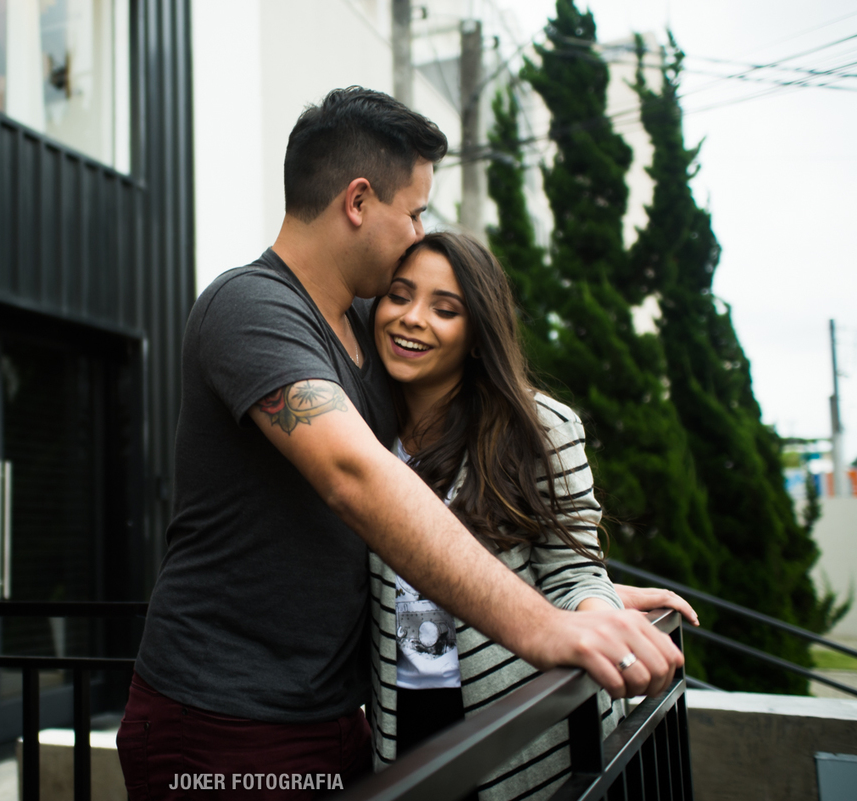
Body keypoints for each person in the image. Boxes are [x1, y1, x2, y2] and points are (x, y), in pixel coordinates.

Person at [117, 87, 684, 800]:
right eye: (414, 211)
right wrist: (541, 625)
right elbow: (355, 473)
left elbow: (448, 469)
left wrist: (573, 592)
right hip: (221, 723)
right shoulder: (252, 308)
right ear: (358, 201)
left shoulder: (367, 323)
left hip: (337, 719)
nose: (419, 231)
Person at [366, 232, 697, 799]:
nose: (413, 319)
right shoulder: (358, 430)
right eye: (400, 296)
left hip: (515, 716)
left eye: (445, 309)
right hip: (399, 718)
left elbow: (572, 571)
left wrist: (602, 611)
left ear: (477, 336)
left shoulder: (539, 428)